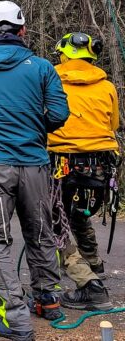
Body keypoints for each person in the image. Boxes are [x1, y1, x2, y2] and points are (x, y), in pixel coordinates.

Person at [0, 1, 70, 341]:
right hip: (35, 166)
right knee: (40, 233)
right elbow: (59, 114)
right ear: (23, 30)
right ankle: (48, 300)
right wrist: (33, 127)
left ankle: (16, 319)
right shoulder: (43, 68)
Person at [48, 32, 119, 311]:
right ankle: (93, 262)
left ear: (64, 55)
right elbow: (113, 123)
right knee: (80, 212)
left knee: (56, 221)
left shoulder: (50, 80)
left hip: (60, 163)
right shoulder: (107, 86)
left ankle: (87, 282)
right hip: (100, 166)